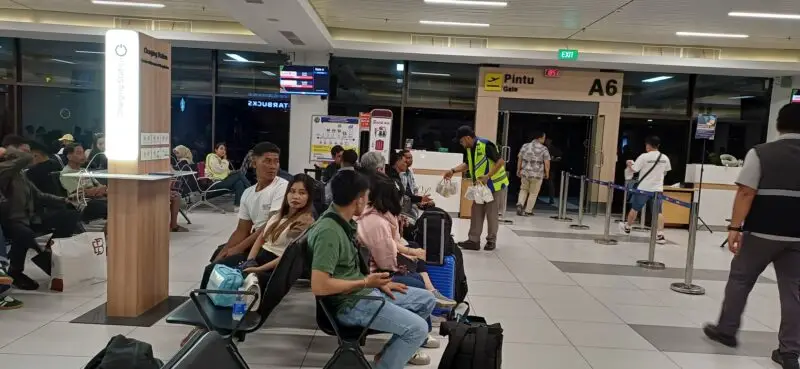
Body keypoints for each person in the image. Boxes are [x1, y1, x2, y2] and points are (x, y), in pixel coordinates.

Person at [703, 104, 800, 369]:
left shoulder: (761, 153)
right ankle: (790, 352)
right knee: (794, 292)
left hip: (762, 232)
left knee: (741, 279)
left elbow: (746, 192)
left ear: (779, 124)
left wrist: (734, 228)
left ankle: (726, 330)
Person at [309, 170, 436, 369]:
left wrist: (378, 283)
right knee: (418, 329)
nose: (368, 203)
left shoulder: (344, 223)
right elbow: (319, 285)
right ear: (359, 200)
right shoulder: (329, 232)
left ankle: (386, 356)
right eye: (367, 198)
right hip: (349, 305)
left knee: (427, 299)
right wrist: (367, 282)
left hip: (362, 292)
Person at [201, 173, 314, 288]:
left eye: (302, 193)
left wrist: (258, 269)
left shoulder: (304, 223)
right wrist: (250, 260)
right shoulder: (279, 214)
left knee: (228, 279)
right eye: (292, 191)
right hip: (257, 256)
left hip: (272, 267)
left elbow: (288, 257)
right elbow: (261, 238)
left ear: (309, 197)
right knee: (212, 269)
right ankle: (200, 301)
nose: (295, 196)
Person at [0, 135, 81, 290]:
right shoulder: (4, 170)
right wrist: (6, 150)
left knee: (69, 215)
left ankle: (50, 249)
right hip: (10, 220)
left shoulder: (20, 174)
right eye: (25, 151)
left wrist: (64, 200)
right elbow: (23, 159)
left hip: (28, 217)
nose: (30, 155)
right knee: (25, 235)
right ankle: (17, 271)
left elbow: (39, 195)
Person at [211, 142, 288, 263]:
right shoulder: (248, 193)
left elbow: (269, 226)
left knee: (225, 265)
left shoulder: (282, 187)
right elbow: (242, 230)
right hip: (254, 239)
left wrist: (238, 248)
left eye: (276, 161)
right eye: (267, 161)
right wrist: (223, 253)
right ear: (254, 163)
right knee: (217, 257)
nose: (273, 166)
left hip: (270, 247)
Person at [443, 126, 509, 251]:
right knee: (476, 212)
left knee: (491, 214)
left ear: (468, 138)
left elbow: (500, 162)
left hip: (494, 185)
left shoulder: (485, 145)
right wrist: (453, 171)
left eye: (461, 141)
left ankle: (491, 241)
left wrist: (488, 176)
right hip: (480, 187)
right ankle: (473, 240)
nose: (461, 144)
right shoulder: (469, 149)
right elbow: (468, 164)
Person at [618, 136, 671, 244]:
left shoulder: (644, 156)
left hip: (643, 188)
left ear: (647, 145)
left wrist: (629, 164)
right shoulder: (664, 158)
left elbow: (634, 169)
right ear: (658, 145)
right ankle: (660, 234)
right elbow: (665, 172)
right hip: (657, 189)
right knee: (658, 212)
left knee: (635, 208)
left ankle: (627, 227)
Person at [60, 143, 108, 222]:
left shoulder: (84, 170)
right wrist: (97, 190)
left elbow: (100, 186)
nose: (83, 156)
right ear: (69, 156)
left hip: (97, 198)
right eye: (79, 153)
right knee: (109, 207)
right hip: (84, 203)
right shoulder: (66, 173)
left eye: (83, 152)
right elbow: (80, 192)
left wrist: (99, 190)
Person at [205, 142, 251, 209]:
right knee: (239, 174)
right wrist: (225, 160)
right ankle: (252, 192)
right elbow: (219, 169)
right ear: (216, 150)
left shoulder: (220, 159)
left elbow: (226, 172)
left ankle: (237, 206)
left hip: (222, 181)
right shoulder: (212, 157)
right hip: (214, 183)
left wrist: (233, 172)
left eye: (224, 149)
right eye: (221, 149)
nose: (223, 151)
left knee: (239, 183)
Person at [516, 131, 551, 216]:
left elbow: (520, 159)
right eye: (544, 137)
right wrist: (547, 173)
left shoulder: (525, 146)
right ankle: (528, 210)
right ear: (539, 138)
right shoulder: (544, 149)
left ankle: (520, 203)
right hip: (537, 175)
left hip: (525, 173)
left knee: (523, 189)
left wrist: (518, 170)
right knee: (533, 193)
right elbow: (547, 162)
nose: (544, 139)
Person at [544, 138, 562, 205]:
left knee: (550, 183)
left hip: (551, 168)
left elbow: (560, 157)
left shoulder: (554, 149)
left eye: (548, 140)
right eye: (546, 140)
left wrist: (552, 159)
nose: (547, 141)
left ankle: (551, 199)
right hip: (541, 168)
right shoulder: (543, 148)